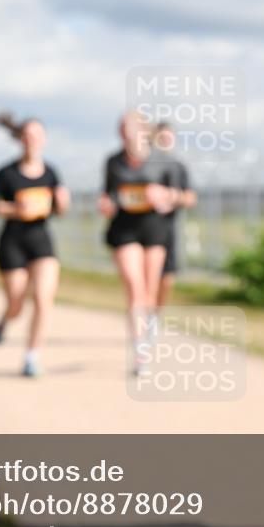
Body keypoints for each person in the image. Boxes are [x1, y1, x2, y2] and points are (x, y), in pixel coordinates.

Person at [0, 115, 69, 377]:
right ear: (20, 139)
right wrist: (14, 209)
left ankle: (32, 356)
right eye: (27, 135)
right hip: (12, 242)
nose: (32, 140)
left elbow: (58, 210)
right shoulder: (6, 173)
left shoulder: (51, 173)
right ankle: (4, 320)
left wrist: (62, 204)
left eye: (37, 135)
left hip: (41, 241)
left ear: (43, 140)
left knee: (44, 299)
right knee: (17, 303)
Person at [99, 112, 181, 373]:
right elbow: (109, 193)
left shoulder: (162, 161)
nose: (126, 132)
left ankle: (152, 320)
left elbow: (182, 197)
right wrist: (106, 203)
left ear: (143, 130)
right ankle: (141, 351)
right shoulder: (113, 162)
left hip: (154, 229)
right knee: (135, 288)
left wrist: (165, 195)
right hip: (124, 229)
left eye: (131, 127)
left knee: (150, 288)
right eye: (122, 127)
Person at [152, 122, 198, 309]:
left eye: (168, 138)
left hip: (168, 229)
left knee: (167, 279)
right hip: (145, 229)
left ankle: (155, 315)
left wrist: (172, 196)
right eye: (161, 137)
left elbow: (190, 198)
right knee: (148, 278)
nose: (165, 141)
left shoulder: (178, 167)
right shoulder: (144, 165)